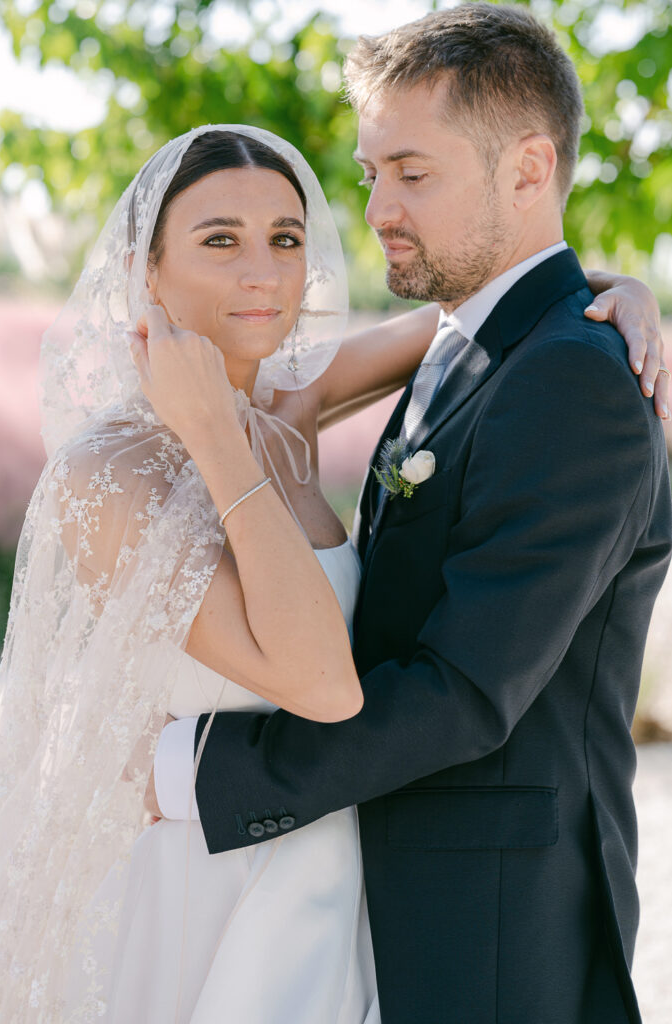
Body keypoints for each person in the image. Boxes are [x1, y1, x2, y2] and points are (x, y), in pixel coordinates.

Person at [0, 124, 665, 1024]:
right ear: (144, 269)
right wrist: (218, 446)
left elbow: (490, 311)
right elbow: (321, 683)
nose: (262, 271)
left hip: (336, 887)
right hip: (202, 895)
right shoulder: (110, 475)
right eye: (218, 239)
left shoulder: (284, 412)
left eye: (286, 237)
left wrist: (617, 290)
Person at [151, 8, 672, 1024]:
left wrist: (188, 771)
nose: (379, 205)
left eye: (413, 173)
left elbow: (465, 693)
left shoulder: (572, 381)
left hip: (489, 934)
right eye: (372, 169)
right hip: (382, 898)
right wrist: (613, 284)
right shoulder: (475, 341)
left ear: (529, 171)